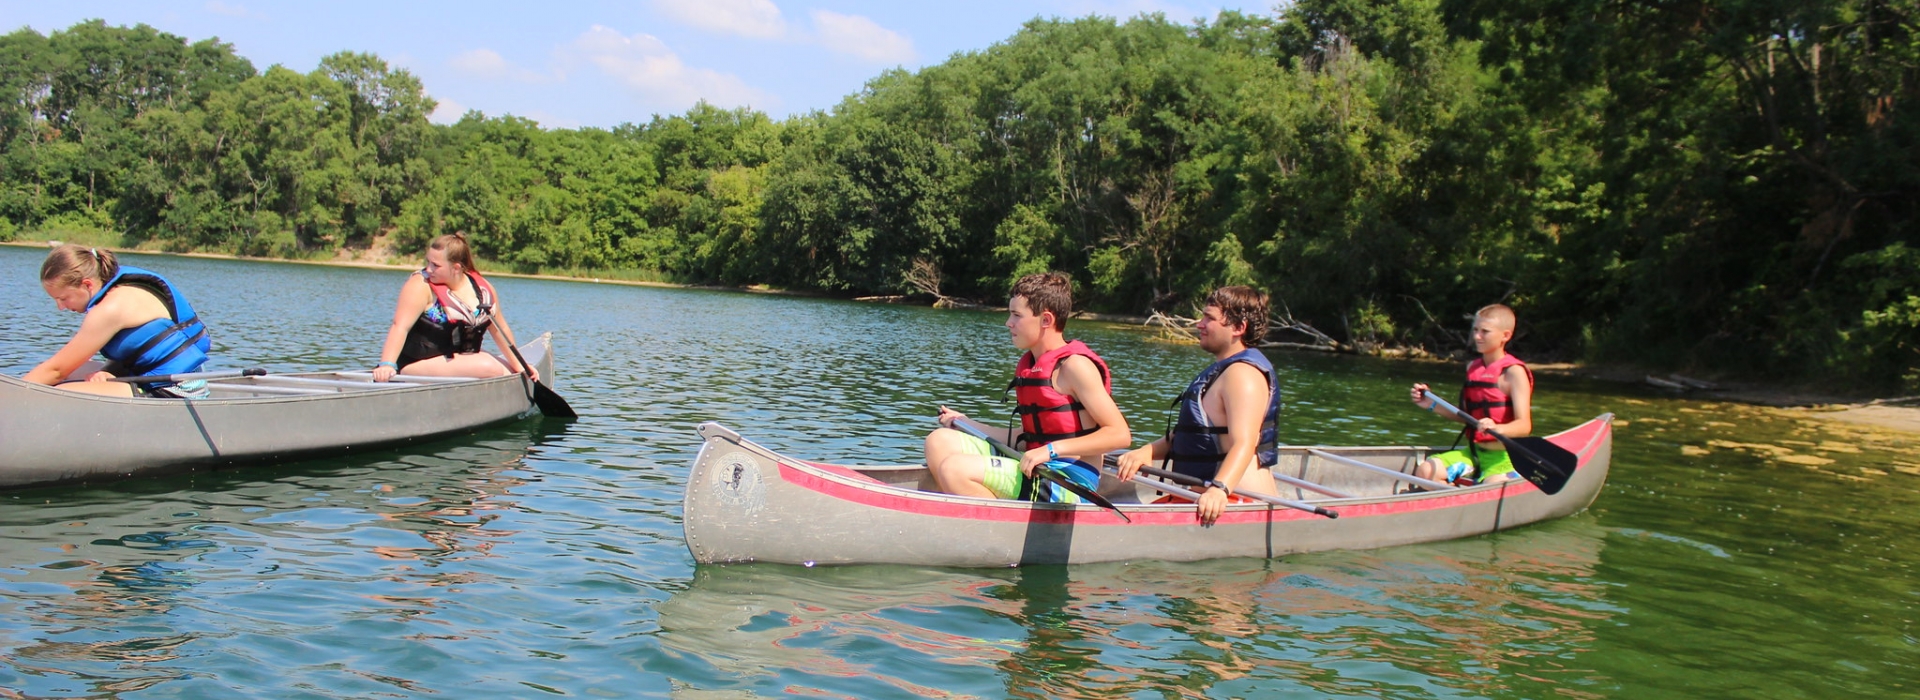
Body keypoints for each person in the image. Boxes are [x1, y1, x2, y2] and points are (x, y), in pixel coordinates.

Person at [924, 272, 1131, 502]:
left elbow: (1120, 435)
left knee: (955, 468)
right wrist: (965, 422)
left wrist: (1050, 450)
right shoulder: (1031, 365)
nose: (1008, 323)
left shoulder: (1075, 367)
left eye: (1016, 315)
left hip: (1069, 481)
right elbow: (1027, 439)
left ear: (1045, 320)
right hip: (1033, 463)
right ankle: (971, 513)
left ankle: (996, 528)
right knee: (939, 441)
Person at [1116, 286, 1282, 524]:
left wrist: (1220, 488)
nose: (1200, 324)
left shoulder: (1244, 375)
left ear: (1238, 328)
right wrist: (1146, 452)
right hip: (1201, 497)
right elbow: (1197, 435)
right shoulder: (1224, 372)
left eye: (1210, 318)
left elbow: (1245, 442)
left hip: (1237, 501)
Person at [25, 245, 212, 397]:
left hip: (178, 389)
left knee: (61, 393)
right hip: (155, 377)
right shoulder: (118, 286)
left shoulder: (110, 308)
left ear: (87, 285)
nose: (61, 307)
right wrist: (110, 372)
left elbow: (57, 370)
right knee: (76, 371)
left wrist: (11, 396)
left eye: (63, 298)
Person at [372, 233, 536, 383]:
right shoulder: (419, 285)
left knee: (509, 370)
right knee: (489, 365)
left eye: (436, 265)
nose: (429, 269)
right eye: (428, 262)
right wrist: (387, 364)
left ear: (456, 268)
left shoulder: (484, 290)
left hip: (456, 362)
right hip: (413, 366)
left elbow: (500, 330)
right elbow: (399, 326)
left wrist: (521, 366)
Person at [1408, 303, 1534, 485]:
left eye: (1485, 331)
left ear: (1505, 335)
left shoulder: (1514, 373)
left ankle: (1470, 494)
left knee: (1491, 487)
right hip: (1473, 453)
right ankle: (1456, 501)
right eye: (1475, 330)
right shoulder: (1472, 368)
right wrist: (1432, 405)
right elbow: (1468, 417)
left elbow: (1524, 425)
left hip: (1504, 458)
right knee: (1426, 471)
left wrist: (1499, 429)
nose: (1477, 336)